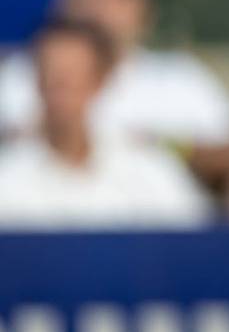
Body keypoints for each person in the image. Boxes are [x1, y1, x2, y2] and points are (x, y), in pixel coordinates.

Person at [0, 0, 229, 192]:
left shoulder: (179, 78)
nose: (100, 8)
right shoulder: (19, 75)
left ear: (144, 7)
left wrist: (161, 144)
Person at [0, 19, 212, 229]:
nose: (60, 88)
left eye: (72, 76)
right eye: (51, 75)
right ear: (37, 80)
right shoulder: (9, 175)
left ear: (99, 81)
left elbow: (193, 236)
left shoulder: (149, 169)